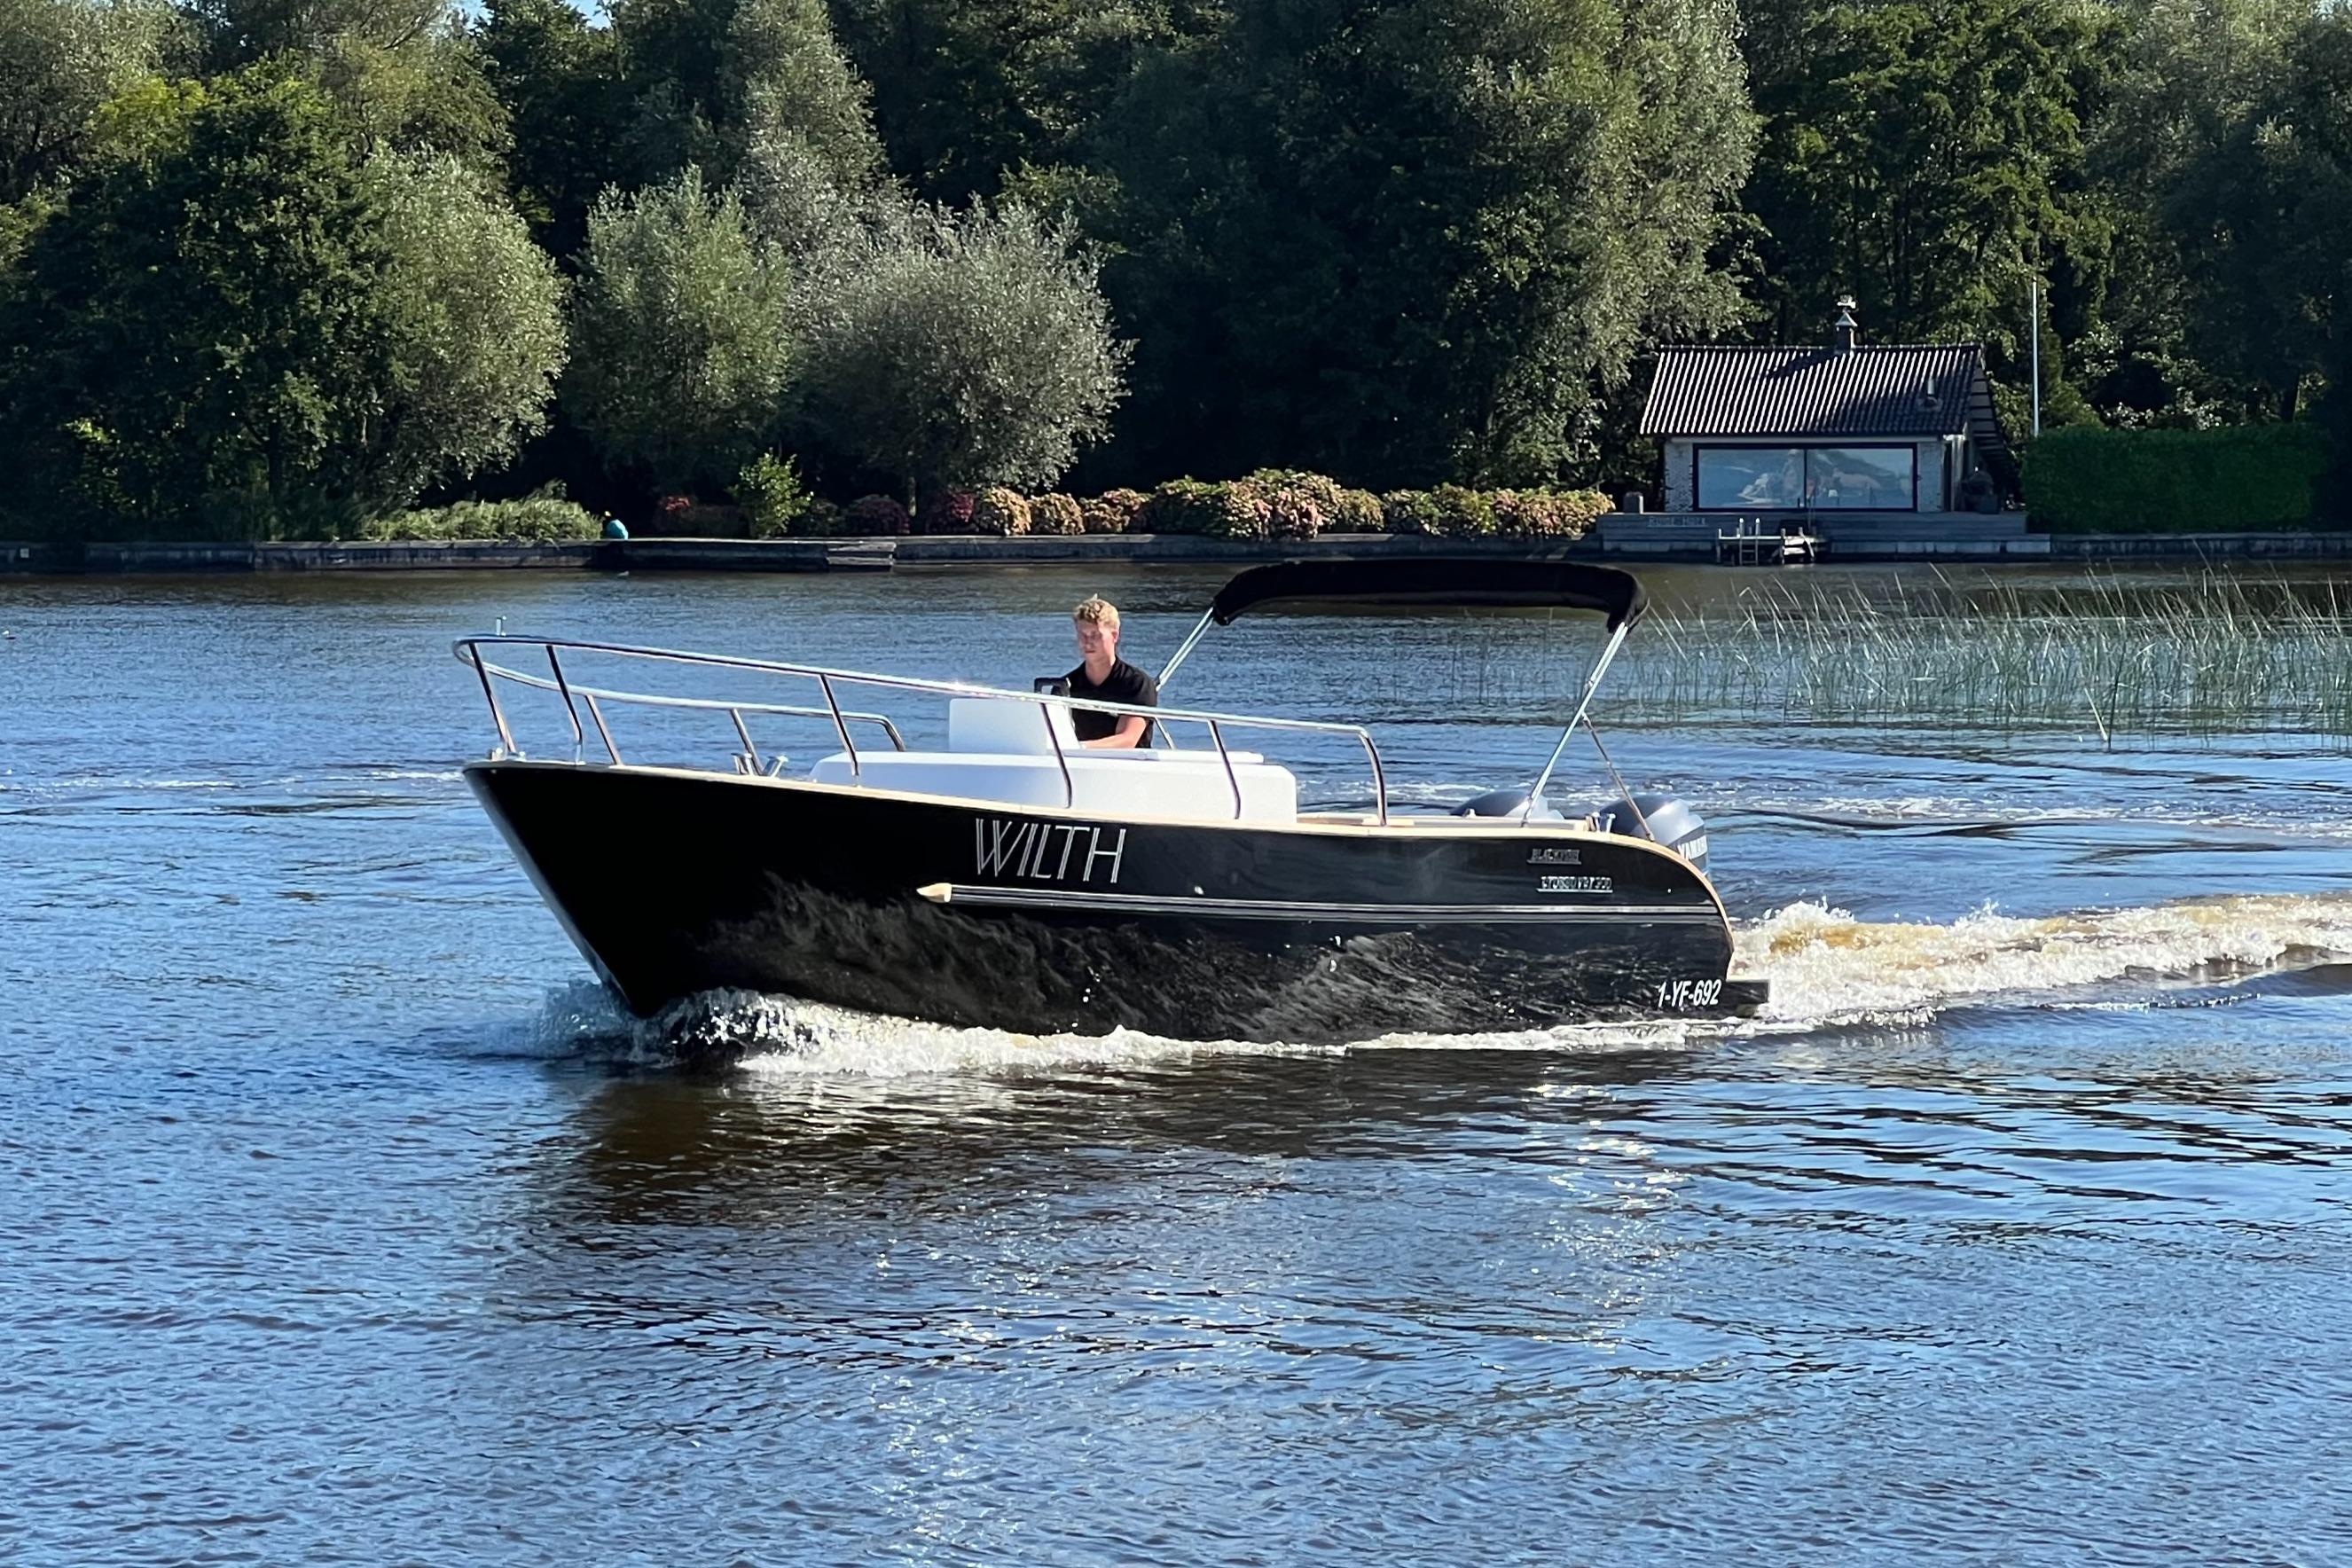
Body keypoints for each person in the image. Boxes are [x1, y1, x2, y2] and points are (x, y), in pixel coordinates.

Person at [1064, 596, 1157, 749]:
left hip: (1128, 767)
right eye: (1083, 635)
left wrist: (1079, 747)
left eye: (1095, 635)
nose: (1087, 642)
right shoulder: (1067, 685)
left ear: (1114, 636)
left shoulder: (1137, 683)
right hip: (1078, 765)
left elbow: (1127, 740)